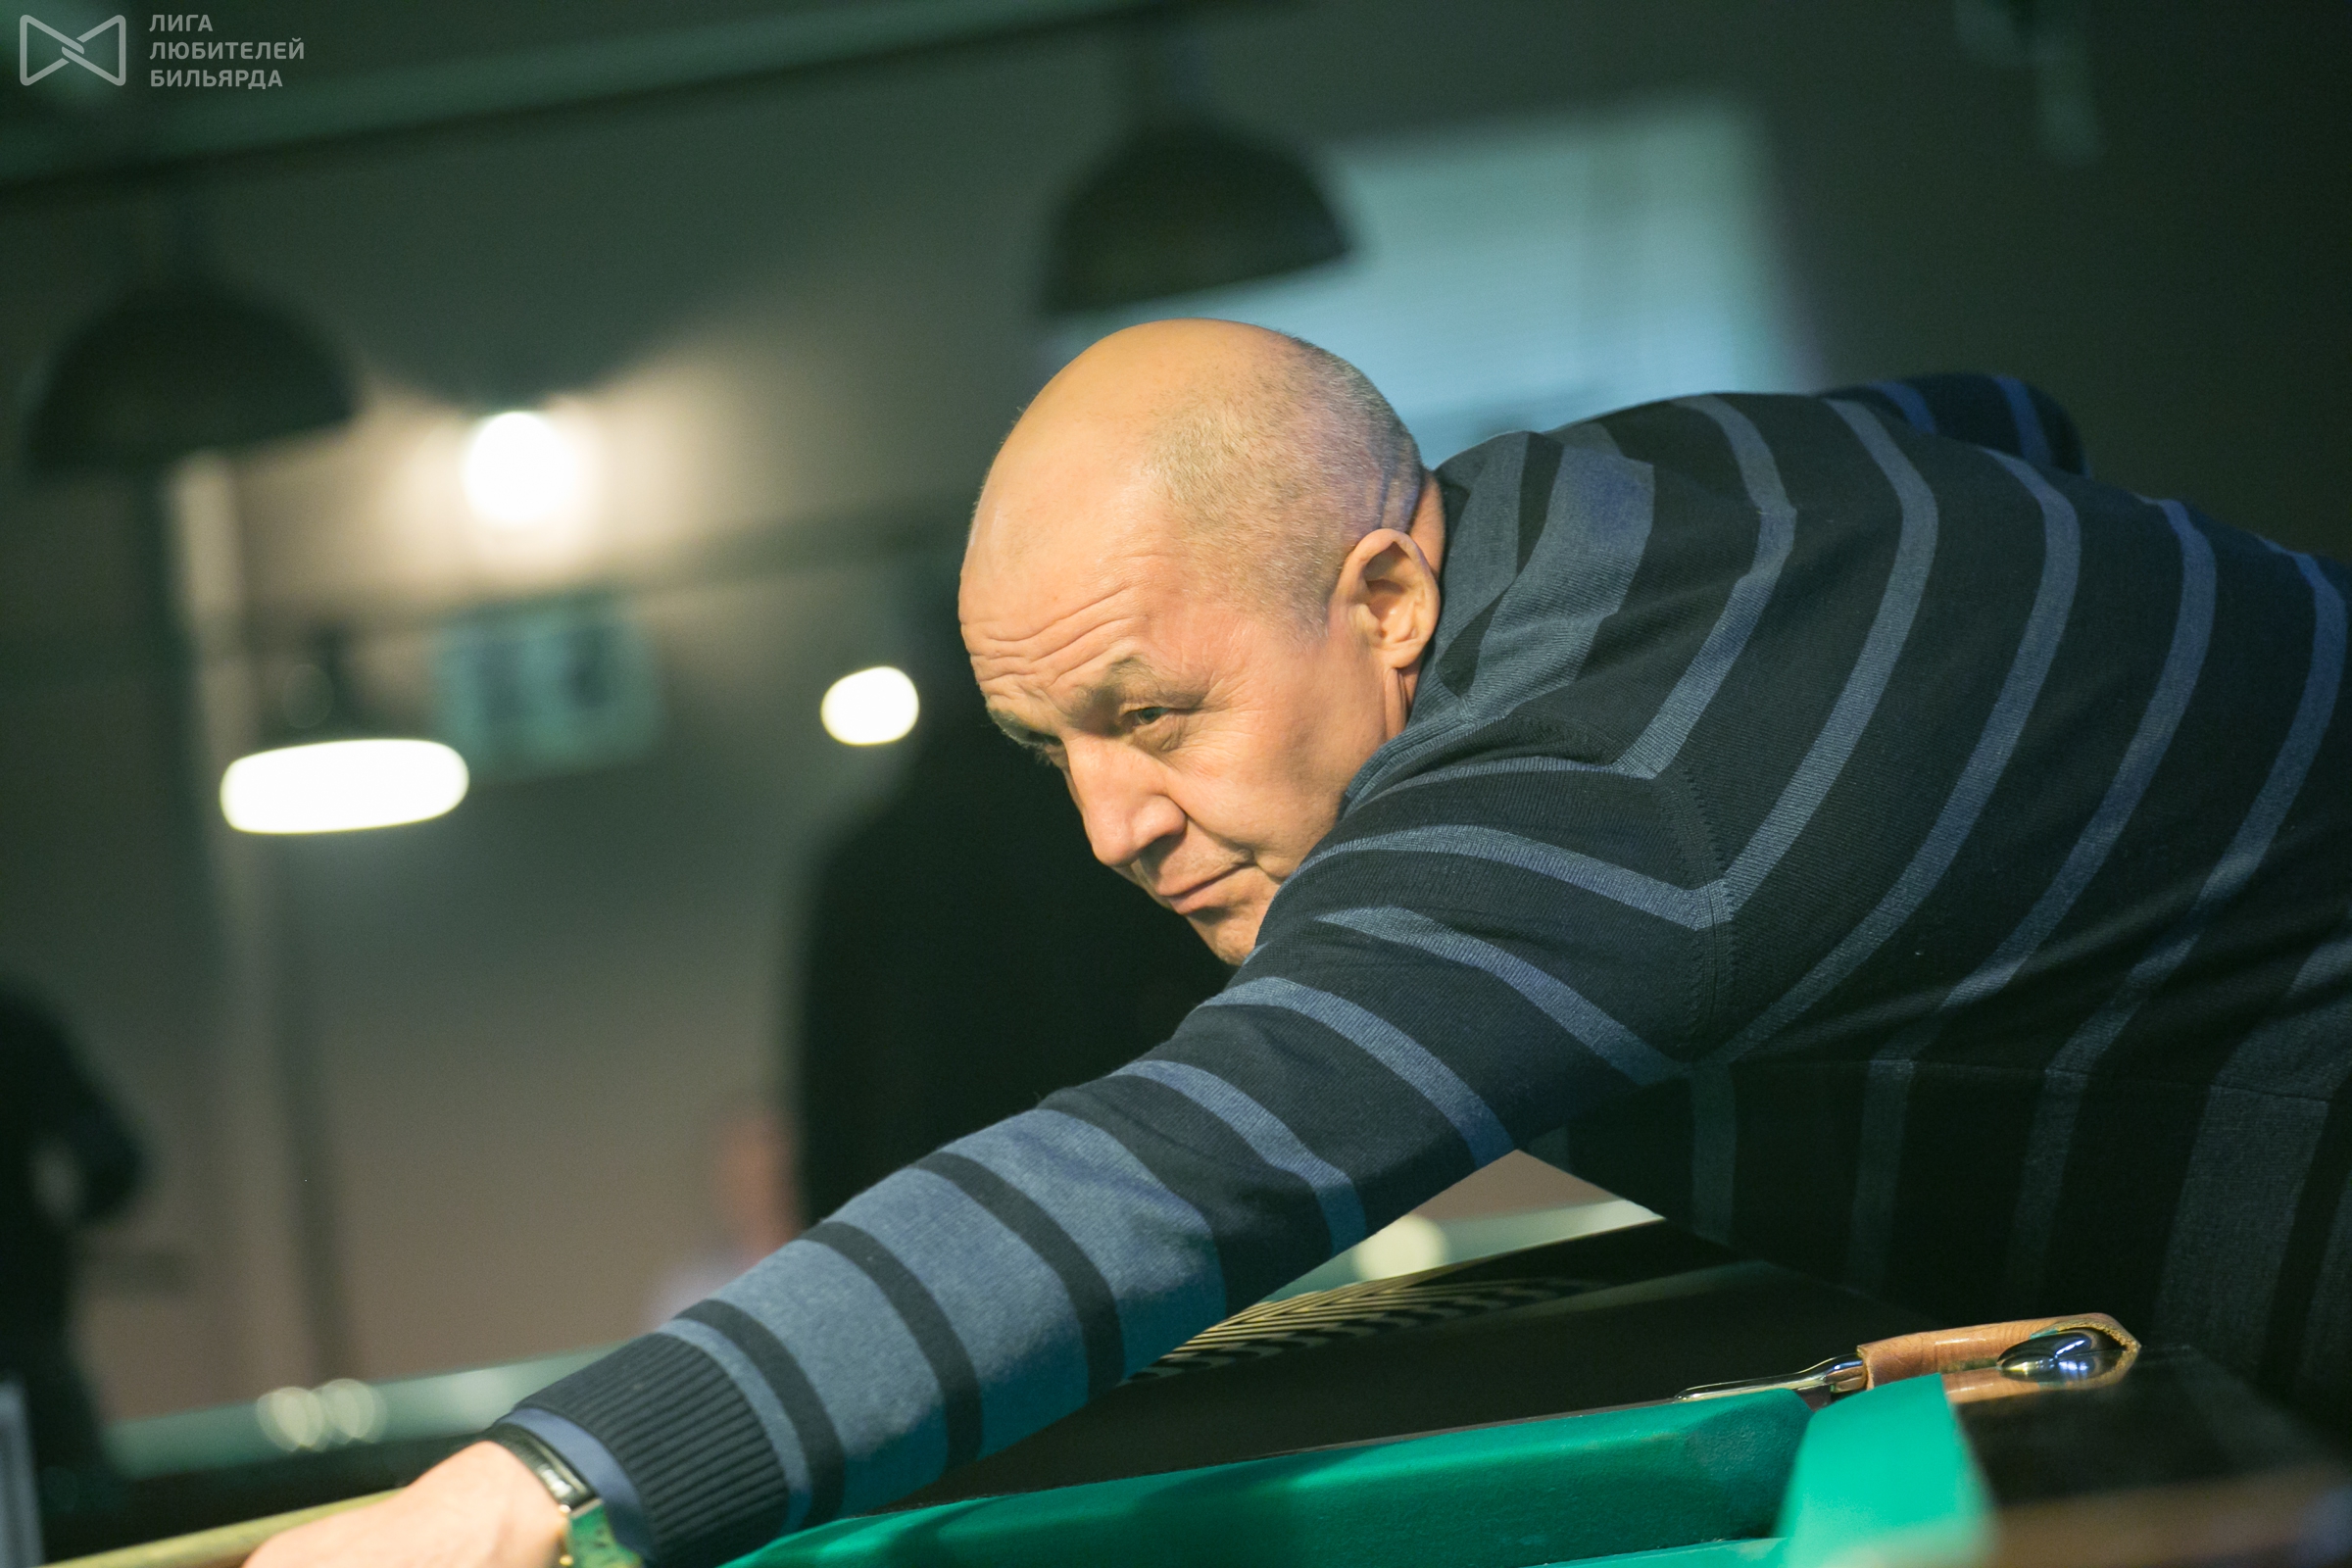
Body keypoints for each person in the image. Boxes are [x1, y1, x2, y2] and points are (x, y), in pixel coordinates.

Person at [253, 320, 2350, 1568]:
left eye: (1151, 711)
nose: (1110, 823)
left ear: (1387, 601)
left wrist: (534, 1483)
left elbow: (1171, 1172)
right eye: (1051, 747)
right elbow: (2000, 417)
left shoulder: (1597, 787)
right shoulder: (1644, 483)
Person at [0, 988, 145, 1532]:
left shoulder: (14, 1025)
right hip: (23, 1329)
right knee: (84, 1519)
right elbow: (115, 1162)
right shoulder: (15, 1024)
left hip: (21, 1334)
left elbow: (115, 1162)